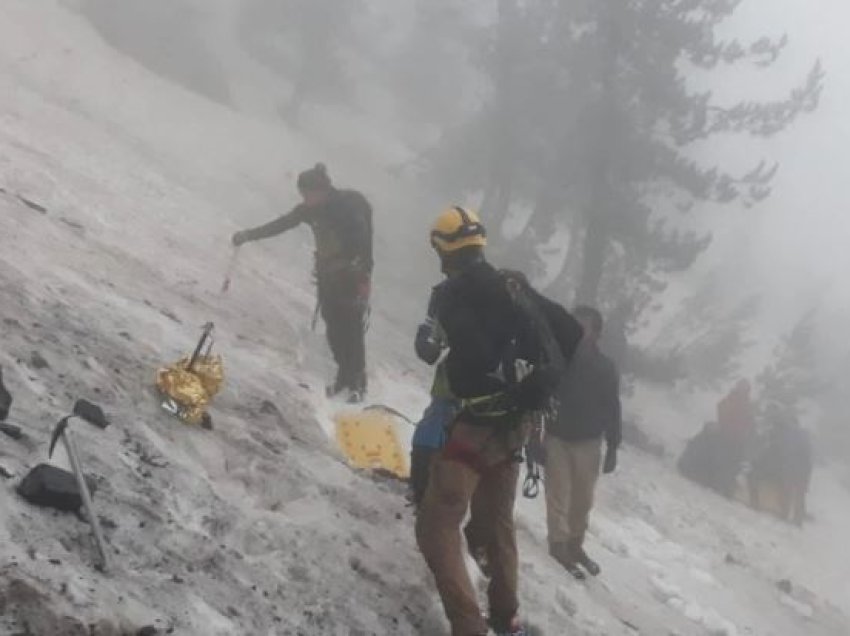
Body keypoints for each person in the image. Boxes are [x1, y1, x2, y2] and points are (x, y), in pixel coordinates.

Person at [415, 206, 582, 636]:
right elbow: (570, 333)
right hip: (514, 430)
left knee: (437, 525)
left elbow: (431, 350)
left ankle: (468, 626)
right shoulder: (513, 286)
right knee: (498, 525)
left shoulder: (449, 294)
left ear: (444, 248)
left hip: (474, 425)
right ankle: (507, 617)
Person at [232, 163, 373, 402]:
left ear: (322, 191)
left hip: (352, 276)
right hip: (329, 276)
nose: (305, 199)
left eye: (308, 194)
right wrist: (248, 235)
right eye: (303, 195)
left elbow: (364, 244)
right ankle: (343, 378)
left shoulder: (348, 207)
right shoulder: (310, 210)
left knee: (352, 328)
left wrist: (362, 277)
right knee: (334, 327)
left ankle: (358, 383)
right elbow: (281, 224)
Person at [544, 306, 621, 580]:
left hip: (589, 441)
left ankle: (575, 544)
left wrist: (613, 445)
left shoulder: (605, 367)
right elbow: (541, 392)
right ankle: (558, 544)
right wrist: (533, 436)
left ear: (596, 333)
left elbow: (613, 406)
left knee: (583, 499)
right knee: (558, 493)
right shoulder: (557, 357)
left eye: (583, 326)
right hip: (557, 436)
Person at [409, 280, 458, 506]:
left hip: (452, 392)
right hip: (456, 393)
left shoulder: (451, 304)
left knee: (430, 437)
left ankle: (423, 491)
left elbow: (431, 352)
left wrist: (425, 335)